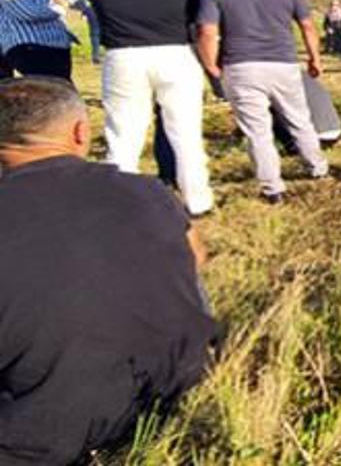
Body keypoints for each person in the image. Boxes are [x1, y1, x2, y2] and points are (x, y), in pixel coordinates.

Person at [0, 78, 216, 464]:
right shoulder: (148, 191)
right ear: (81, 133)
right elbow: (195, 258)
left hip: (35, 436)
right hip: (176, 396)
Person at [77, 0, 214, 217]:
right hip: (174, 53)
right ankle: (198, 201)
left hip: (123, 55)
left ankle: (118, 202)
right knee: (186, 134)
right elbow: (191, 15)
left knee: (123, 135)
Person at [195, 0, 328, 204]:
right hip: (283, 63)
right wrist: (315, 58)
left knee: (257, 130)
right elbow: (307, 25)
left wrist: (211, 67)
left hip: (241, 64)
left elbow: (207, 32)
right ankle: (318, 169)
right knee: (299, 120)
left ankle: (273, 189)